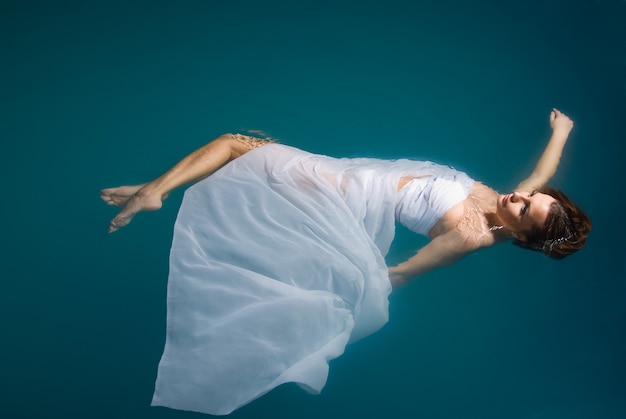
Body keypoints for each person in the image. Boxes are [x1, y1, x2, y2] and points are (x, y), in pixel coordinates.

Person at [101, 108, 591, 415]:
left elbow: (401, 273)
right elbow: (538, 175)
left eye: (525, 207)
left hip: (339, 191)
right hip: (352, 173)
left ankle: (151, 193)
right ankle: (154, 189)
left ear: (521, 233)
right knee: (242, 154)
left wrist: (342, 293)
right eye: (532, 197)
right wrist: (561, 133)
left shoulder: (468, 236)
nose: (519, 196)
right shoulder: (516, 206)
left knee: (236, 145)